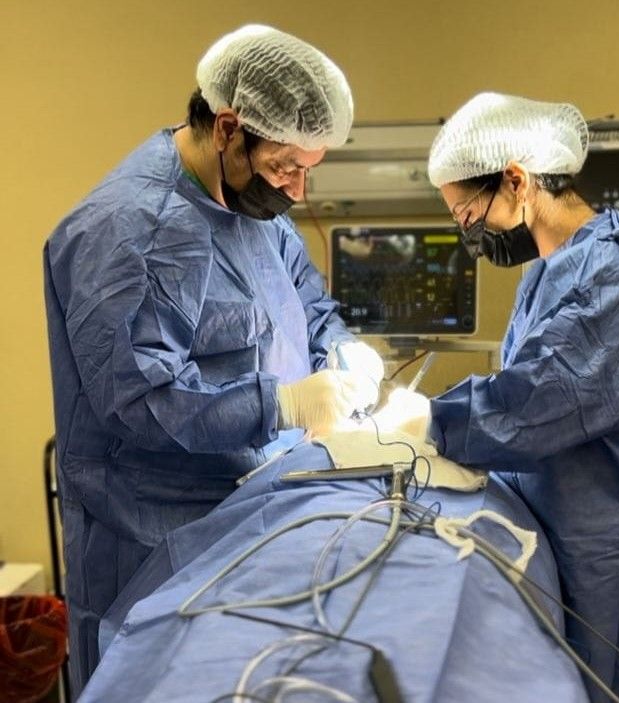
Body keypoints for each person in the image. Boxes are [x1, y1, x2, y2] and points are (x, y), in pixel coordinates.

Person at [43, 24, 383, 697]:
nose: (297, 190)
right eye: (286, 167)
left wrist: (343, 348)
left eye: (307, 170)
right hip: (153, 545)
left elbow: (308, 304)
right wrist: (283, 403)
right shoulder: (127, 232)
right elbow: (140, 399)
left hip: (252, 516)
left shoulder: (254, 205)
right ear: (228, 128)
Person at [384, 92, 619, 701]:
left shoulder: (611, 269)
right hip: (585, 534)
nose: (470, 233)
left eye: (468, 214)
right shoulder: (553, 268)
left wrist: (429, 419)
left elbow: (547, 399)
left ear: (516, 180)